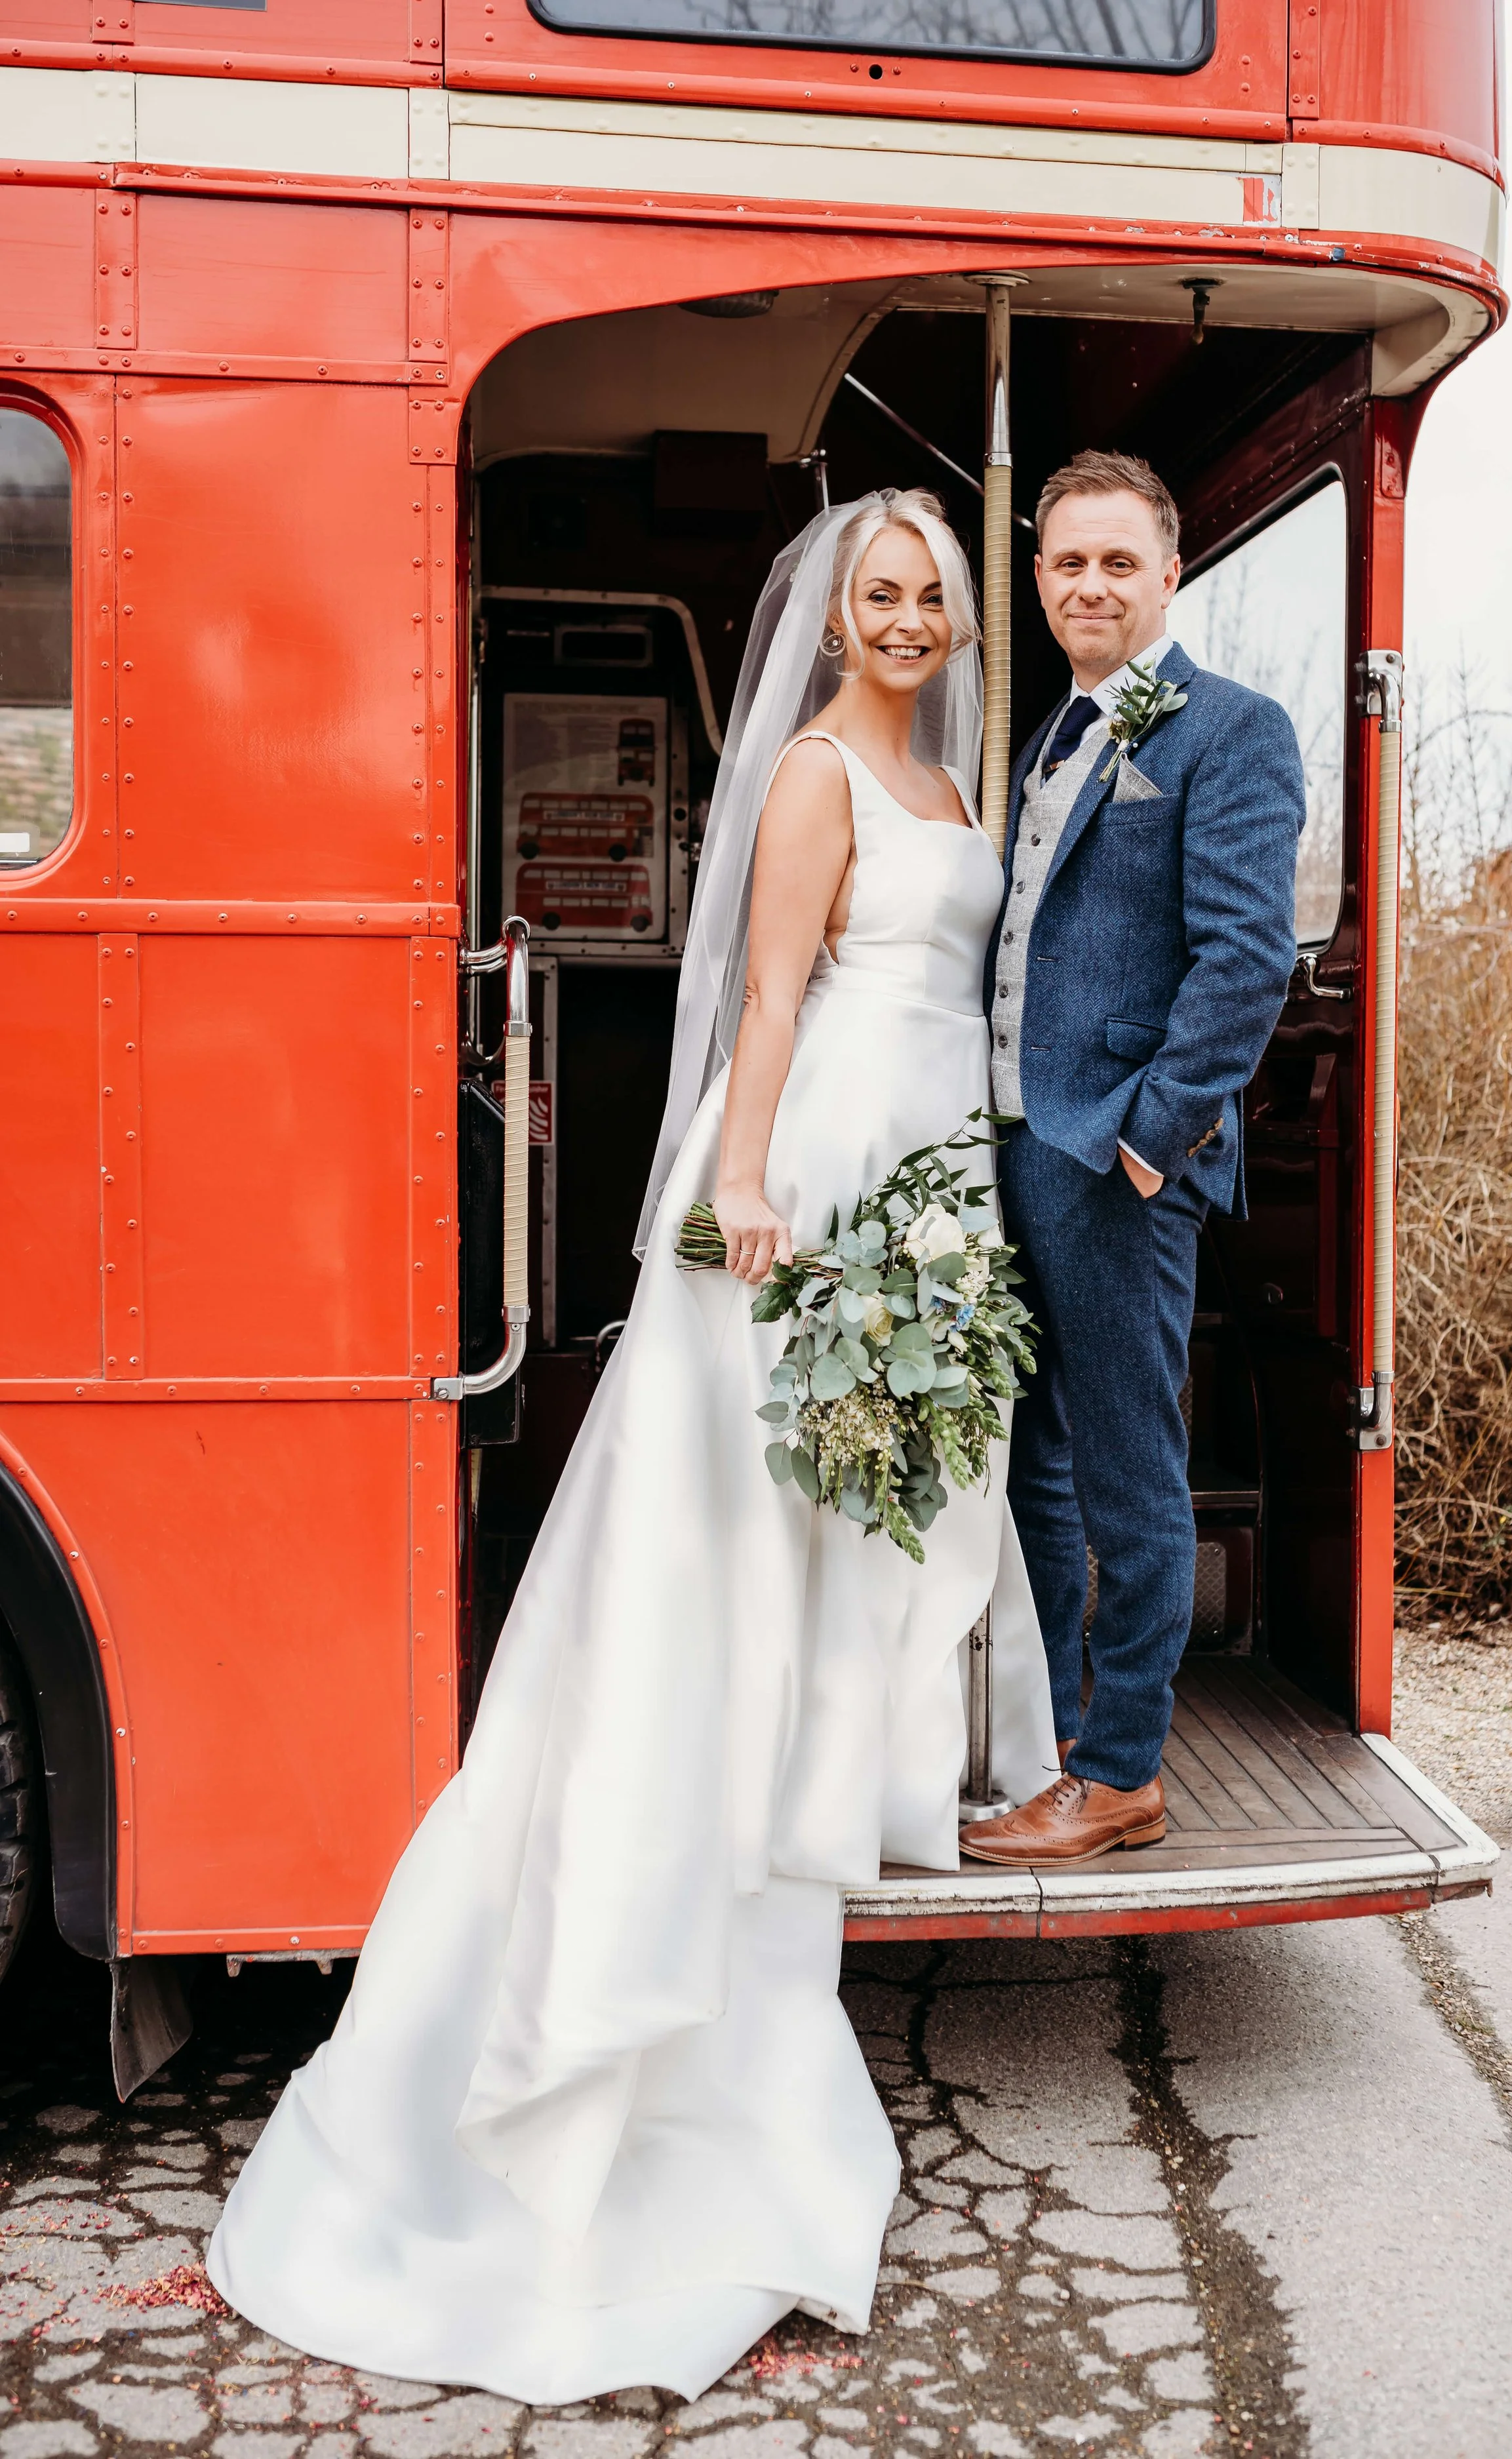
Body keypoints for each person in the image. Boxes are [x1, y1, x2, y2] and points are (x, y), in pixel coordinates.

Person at [207, 490, 1056, 2401]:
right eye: (880, 590)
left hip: (923, 1191)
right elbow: (768, 991)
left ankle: (782, 1876)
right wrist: (743, 1182)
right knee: (727, 1576)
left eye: (930, 593)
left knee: (852, 1564)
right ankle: (628, 2003)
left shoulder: (951, 773)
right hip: (810, 1185)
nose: (909, 616)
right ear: (834, 612)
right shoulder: (828, 771)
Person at [959, 450, 1305, 1869]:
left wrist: (1152, 1143)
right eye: (1064, 561)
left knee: (1126, 1471)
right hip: (1012, 1149)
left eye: (1116, 560)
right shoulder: (1051, 734)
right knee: (1033, 1459)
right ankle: (1053, 1737)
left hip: (1110, 1163)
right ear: (1035, 580)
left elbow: (1242, 961)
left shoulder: (1230, 729)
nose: (1088, 583)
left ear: (1168, 574)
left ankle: (1120, 1777)